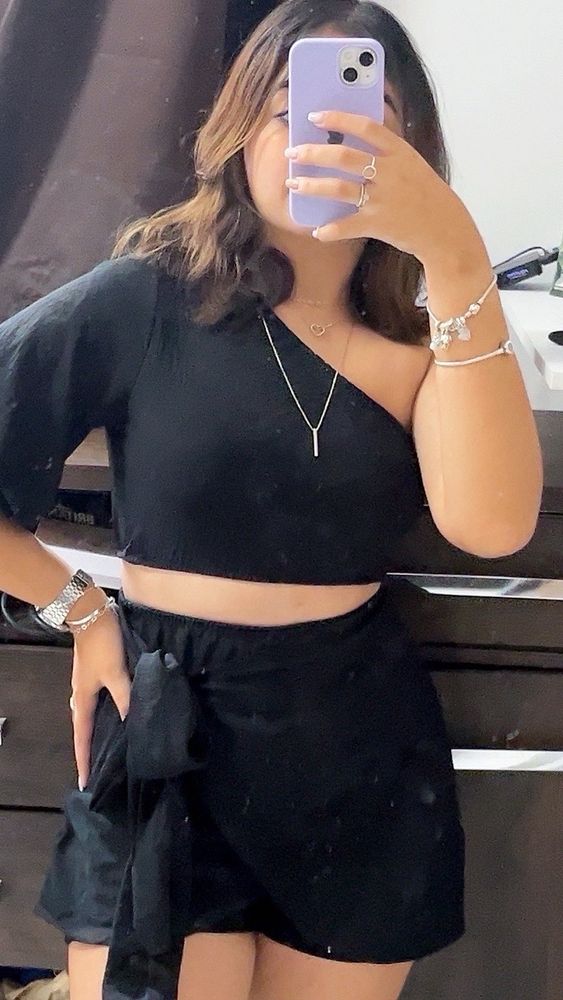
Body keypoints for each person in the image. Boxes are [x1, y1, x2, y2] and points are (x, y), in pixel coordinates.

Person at [0, 2, 542, 999]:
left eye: (362, 113)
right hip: (166, 730)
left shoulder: (426, 342)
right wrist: (78, 610)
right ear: (237, 131)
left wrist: (455, 253)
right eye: (287, 109)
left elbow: (491, 523)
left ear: (413, 152)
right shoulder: (145, 297)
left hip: (353, 745)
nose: (317, 137)